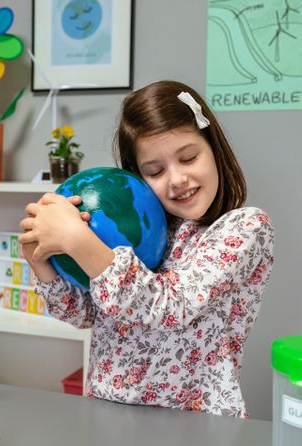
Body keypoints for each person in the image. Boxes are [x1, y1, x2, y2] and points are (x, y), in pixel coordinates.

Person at [19, 80, 274, 417]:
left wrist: (78, 241)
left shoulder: (245, 228)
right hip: (108, 414)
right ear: (137, 176)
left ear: (214, 149)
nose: (177, 179)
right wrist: (41, 259)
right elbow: (86, 314)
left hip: (193, 426)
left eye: (188, 157)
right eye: (155, 171)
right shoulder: (140, 230)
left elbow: (171, 306)